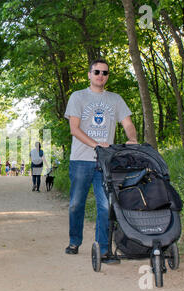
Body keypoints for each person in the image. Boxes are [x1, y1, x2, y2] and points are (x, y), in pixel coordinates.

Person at [64, 58, 137, 257]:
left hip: (106, 161)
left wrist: (132, 139)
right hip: (81, 159)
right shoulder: (78, 97)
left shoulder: (115, 99)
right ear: (89, 74)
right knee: (76, 204)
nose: (100, 76)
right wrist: (96, 144)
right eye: (96, 72)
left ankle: (103, 249)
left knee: (106, 205)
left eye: (104, 73)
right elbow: (74, 129)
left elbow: (128, 123)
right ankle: (74, 241)